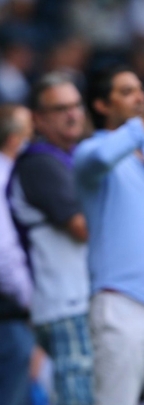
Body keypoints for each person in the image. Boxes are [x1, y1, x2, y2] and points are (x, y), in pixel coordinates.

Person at [73, 65, 144, 405]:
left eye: (140, 89)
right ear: (100, 105)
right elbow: (103, 156)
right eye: (125, 92)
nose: (140, 97)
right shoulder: (90, 154)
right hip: (121, 304)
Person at [7, 72, 93, 405]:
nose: (72, 114)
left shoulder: (70, 156)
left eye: (76, 105)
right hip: (63, 304)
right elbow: (83, 228)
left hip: (73, 301)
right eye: (60, 109)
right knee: (78, 396)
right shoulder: (40, 162)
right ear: (37, 119)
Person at [0, 103, 34, 405]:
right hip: (8, 315)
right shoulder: (5, 177)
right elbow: (4, 252)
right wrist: (30, 301)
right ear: (14, 139)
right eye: (28, 133)